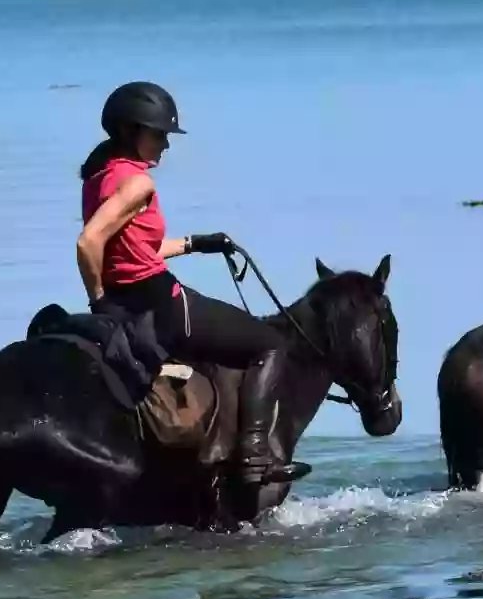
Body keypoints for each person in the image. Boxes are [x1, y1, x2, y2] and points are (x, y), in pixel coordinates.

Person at [76, 81, 310, 485]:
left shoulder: (99, 177)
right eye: (159, 135)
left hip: (129, 300)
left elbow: (131, 250)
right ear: (132, 132)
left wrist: (194, 243)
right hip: (160, 304)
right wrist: (99, 302)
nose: (166, 145)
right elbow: (89, 242)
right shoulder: (138, 184)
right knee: (271, 346)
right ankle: (256, 456)